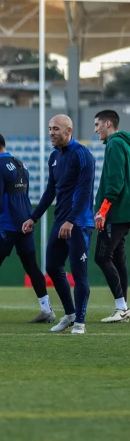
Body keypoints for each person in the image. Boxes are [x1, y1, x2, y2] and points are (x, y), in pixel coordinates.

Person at [0, 132, 55, 323]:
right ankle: (47, 310)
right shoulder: (21, 164)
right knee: (32, 267)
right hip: (26, 223)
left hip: (7, 226)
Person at [23, 114, 96, 334]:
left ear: (68, 131)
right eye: (50, 128)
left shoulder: (83, 155)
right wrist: (33, 217)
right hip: (61, 221)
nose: (51, 133)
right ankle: (70, 314)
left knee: (79, 272)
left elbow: (84, 192)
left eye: (56, 128)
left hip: (79, 223)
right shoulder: (54, 157)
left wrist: (71, 221)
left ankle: (80, 323)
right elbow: (50, 191)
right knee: (53, 266)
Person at [92, 110, 130, 323]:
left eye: (97, 124)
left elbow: (115, 181)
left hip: (116, 211)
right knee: (118, 258)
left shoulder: (115, 144)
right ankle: (123, 307)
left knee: (102, 256)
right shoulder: (125, 143)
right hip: (125, 210)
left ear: (108, 123)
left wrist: (102, 211)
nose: (95, 129)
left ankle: (121, 307)